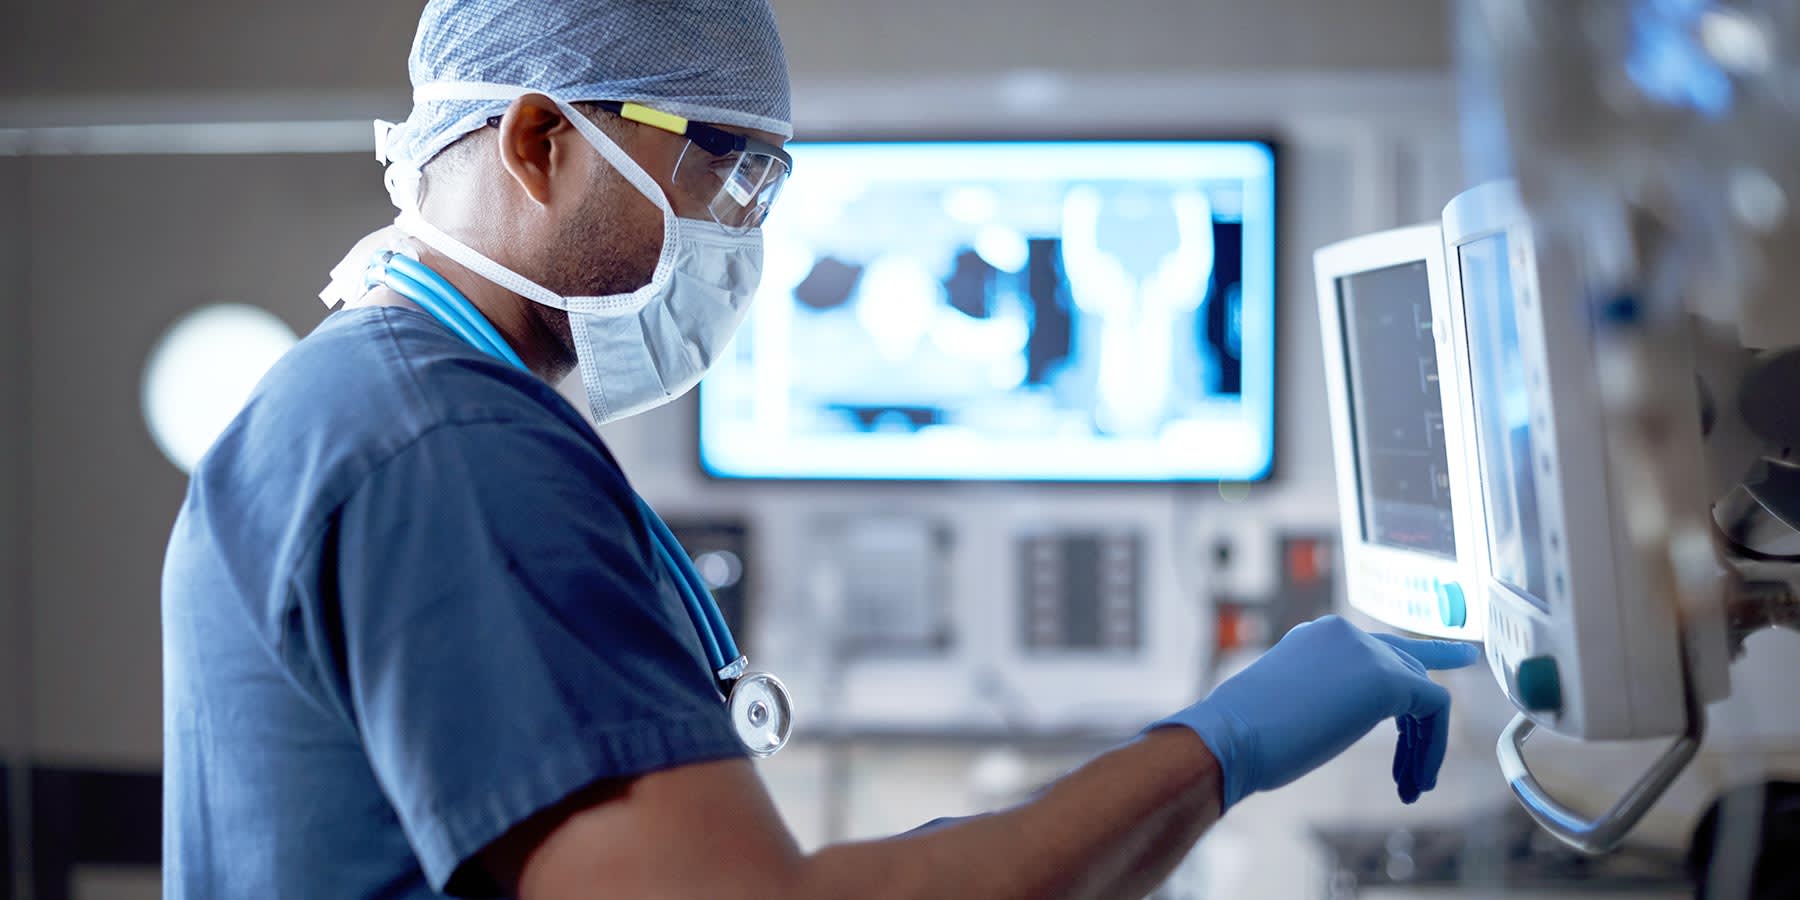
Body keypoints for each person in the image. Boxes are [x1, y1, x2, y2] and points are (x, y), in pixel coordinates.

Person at [160, 1, 1480, 897]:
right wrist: (1225, 747)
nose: (749, 235)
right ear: (540, 138)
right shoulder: (447, 447)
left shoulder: (366, 402)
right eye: (729, 171)